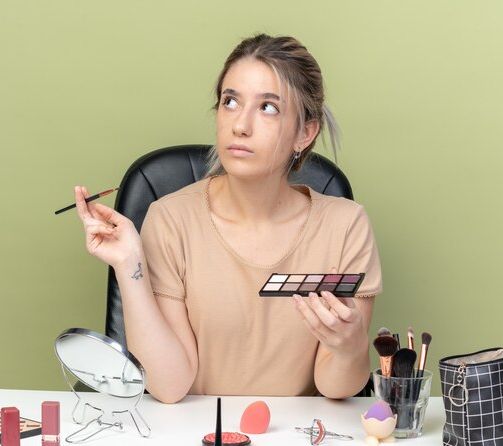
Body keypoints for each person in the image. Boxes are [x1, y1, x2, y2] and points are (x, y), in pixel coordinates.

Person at [75, 34, 382, 404]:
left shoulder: (346, 226)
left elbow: (335, 387)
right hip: (195, 432)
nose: (240, 125)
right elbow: (169, 386)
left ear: (305, 132)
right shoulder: (169, 217)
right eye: (230, 101)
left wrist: (351, 347)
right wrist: (129, 265)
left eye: (268, 107)